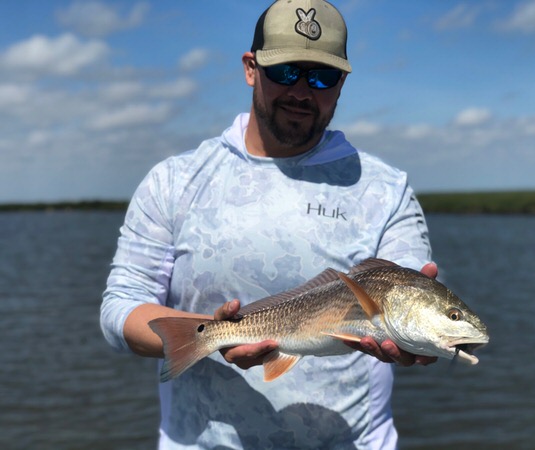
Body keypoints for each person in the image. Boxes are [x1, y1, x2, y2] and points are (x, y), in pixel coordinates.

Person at [101, 0, 437, 448]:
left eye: (322, 77)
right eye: (284, 72)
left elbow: (409, 294)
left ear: (342, 84)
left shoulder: (385, 188)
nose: (301, 91)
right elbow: (121, 307)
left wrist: (426, 334)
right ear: (250, 67)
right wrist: (212, 334)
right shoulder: (174, 180)